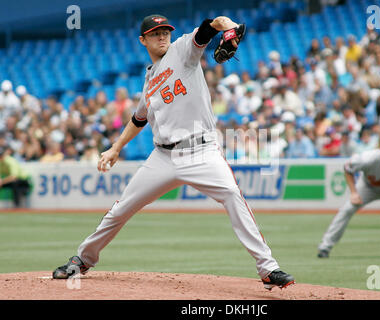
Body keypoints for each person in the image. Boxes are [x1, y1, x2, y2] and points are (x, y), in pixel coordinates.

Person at [52, 14, 295, 290]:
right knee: (121, 210)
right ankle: (82, 259)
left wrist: (229, 29)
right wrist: (116, 147)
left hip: (201, 150)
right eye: (155, 33)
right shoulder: (149, 80)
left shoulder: (182, 50)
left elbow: (211, 25)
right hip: (163, 157)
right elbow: (139, 118)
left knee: (231, 194)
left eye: (165, 31)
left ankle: (268, 268)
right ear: (143, 40)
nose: (162, 36)